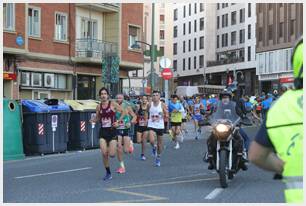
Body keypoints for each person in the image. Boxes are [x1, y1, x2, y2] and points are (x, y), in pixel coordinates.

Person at [249, 37, 303, 203]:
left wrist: (283, 165)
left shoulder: (281, 106)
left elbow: (256, 155)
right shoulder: (268, 103)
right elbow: (250, 108)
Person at [205, 90, 248, 170]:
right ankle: (210, 157)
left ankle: (242, 157)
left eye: (227, 97)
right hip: (219, 127)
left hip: (232, 126)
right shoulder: (216, 106)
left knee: (241, 139)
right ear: (221, 98)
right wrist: (208, 120)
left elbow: (240, 115)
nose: (225, 99)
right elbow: (211, 115)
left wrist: (242, 120)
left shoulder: (234, 106)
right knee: (209, 139)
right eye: (224, 97)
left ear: (229, 98)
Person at [90, 87, 125, 181]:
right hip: (103, 132)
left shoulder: (112, 104)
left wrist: (118, 121)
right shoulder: (98, 106)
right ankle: (108, 173)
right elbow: (97, 118)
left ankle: (115, 148)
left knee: (112, 154)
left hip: (112, 131)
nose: (103, 95)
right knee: (104, 153)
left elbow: (123, 112)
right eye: (101, 94)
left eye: (105, 93)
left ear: (108, 95)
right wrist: (93, 120)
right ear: (99, 96)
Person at [115, 94, 137, 174]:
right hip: (117, 129)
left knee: (126, 151)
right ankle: (122, 167)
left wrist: (131, 122)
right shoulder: (114, 108)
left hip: (126, 129)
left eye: (120, 97)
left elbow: (134, 116)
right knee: (119, 147)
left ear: (123, 99)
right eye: (117, 98)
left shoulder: (127, 107)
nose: (118, 99)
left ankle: (130, 143)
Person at [147, 90, 169, 167]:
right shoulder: (150, 104)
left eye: (157, 95)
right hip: (151, 124)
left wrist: (164, 115)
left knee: (160, 145)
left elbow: (167, 115)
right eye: (154, 95)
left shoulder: (162, 105)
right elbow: (147, 112)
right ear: (152, 97)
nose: (155, 97)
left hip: (160, 126)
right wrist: (147, 119)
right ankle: (153, 147)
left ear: (159, 97)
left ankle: (158, 157)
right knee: (151, 140)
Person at [136, 95, 149, 161]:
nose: (144, 100)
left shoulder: (149, 107)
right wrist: (140, 116)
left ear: (147, 100)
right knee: (138, 141)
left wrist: (147, 119)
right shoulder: (138, 107)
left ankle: (143, 154)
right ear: (141, 100)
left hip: (146, 126)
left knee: (144, 141)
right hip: (139, 125)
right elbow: (136, 114)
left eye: (145, 99)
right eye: (143, 99)